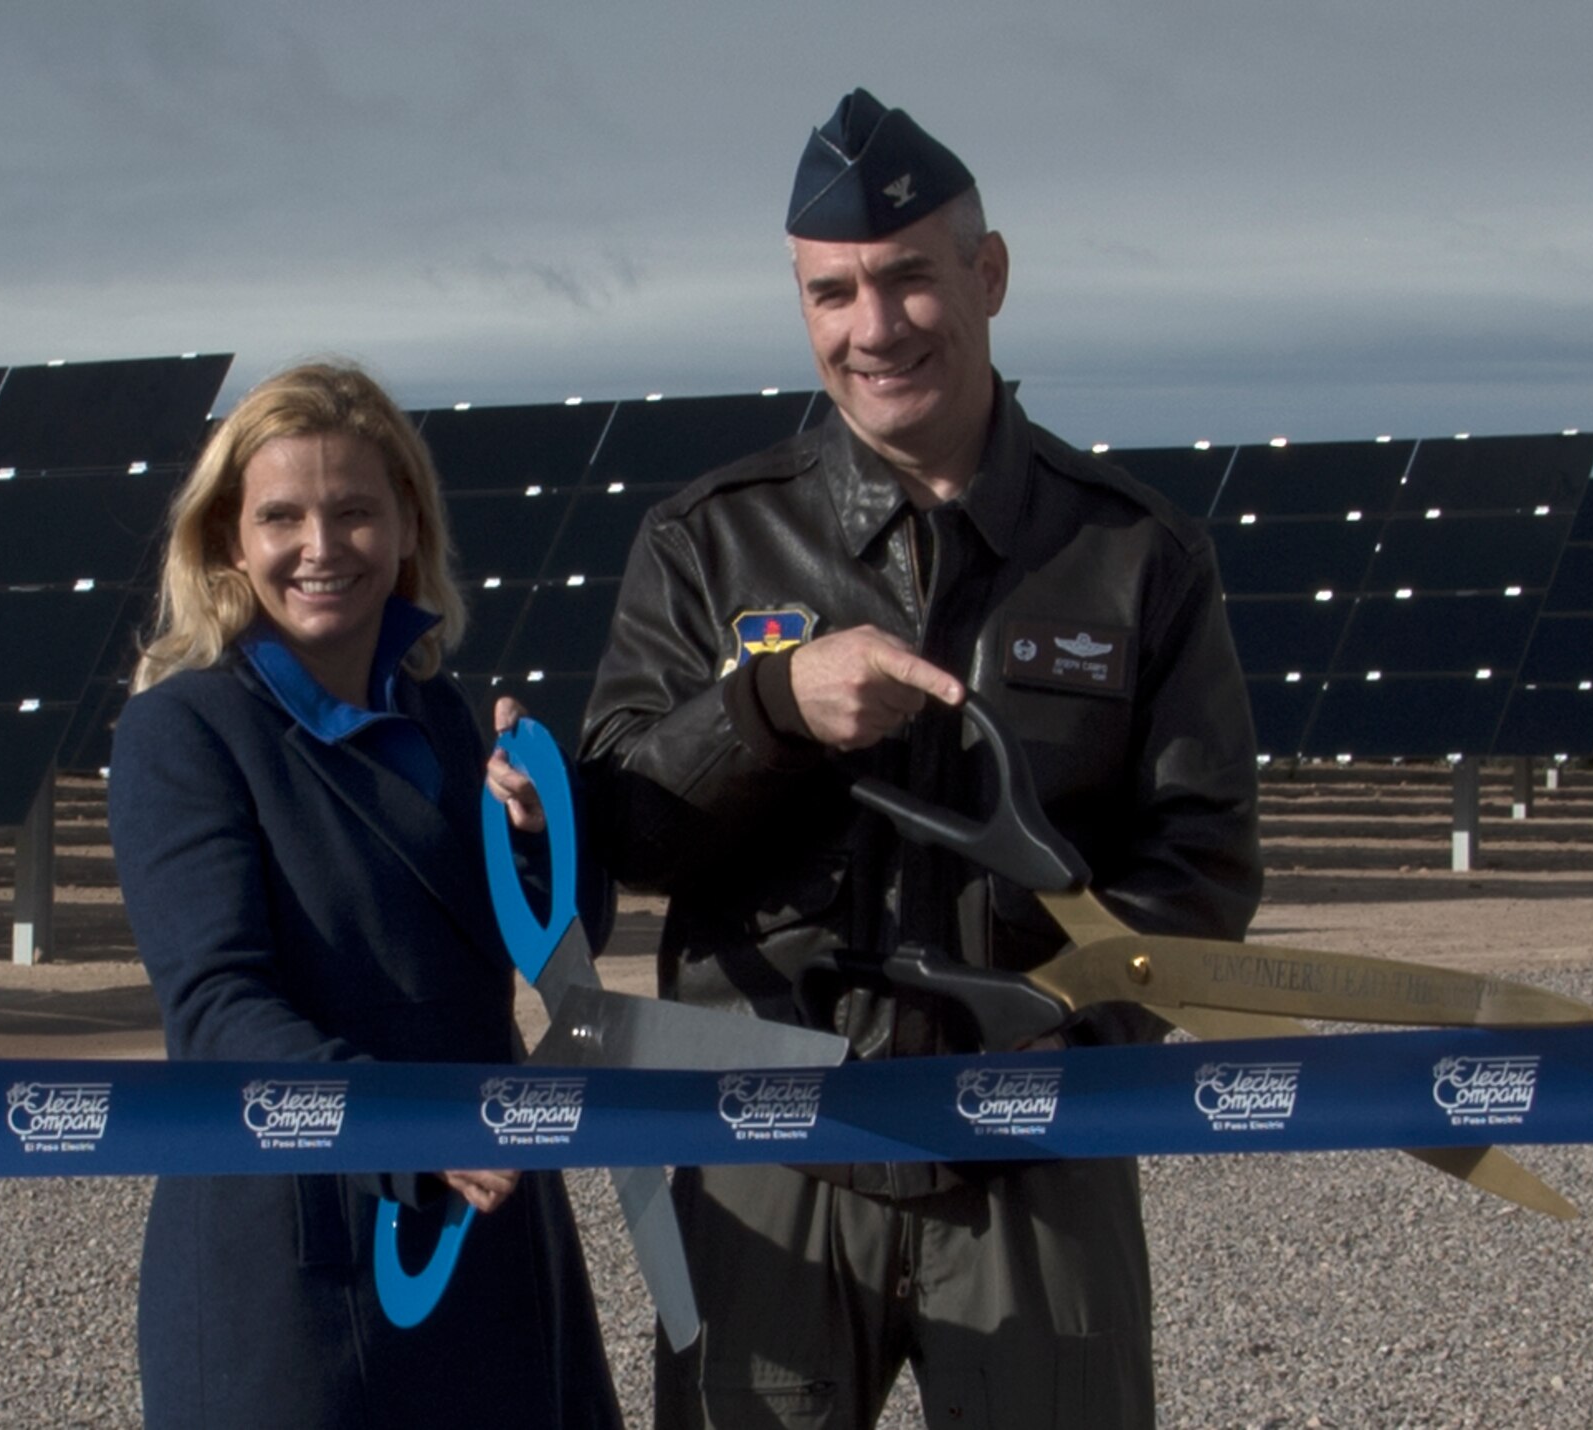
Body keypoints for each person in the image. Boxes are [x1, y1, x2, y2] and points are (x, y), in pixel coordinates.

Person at [579, 90, 1262, 1430]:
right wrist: (767, 708)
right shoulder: (707, 546)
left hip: (1039, 1138)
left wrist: (1068, 1016)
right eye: (832, 293)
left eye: (907, 280)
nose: (873, 328)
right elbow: (622, 827)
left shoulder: (1133, 554)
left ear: (988, 274)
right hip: (763, 1127)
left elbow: (1204, 853)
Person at [107, 360, 623, 1429]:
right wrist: (403, 1118)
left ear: (404, 525)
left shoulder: (453, 724)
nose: (321, 545)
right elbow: (215, 1009)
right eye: (282, 515)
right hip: (298, 1257)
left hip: (489, 1238)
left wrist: (538, 835)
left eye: (353, 511)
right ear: (227, 540)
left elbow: (557, 949)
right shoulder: (185, 733)